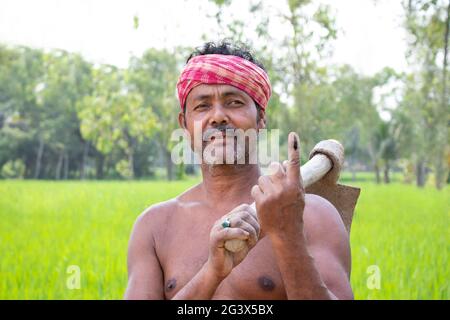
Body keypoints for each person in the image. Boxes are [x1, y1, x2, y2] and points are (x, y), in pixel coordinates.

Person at [124, 40, 353, 300]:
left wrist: (288, 236)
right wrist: (211, 272)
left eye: (234, 103)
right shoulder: (154, 227)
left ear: (261, 119)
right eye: (202, 106)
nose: (218, 116)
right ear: (185, 124)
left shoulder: (312, 215)